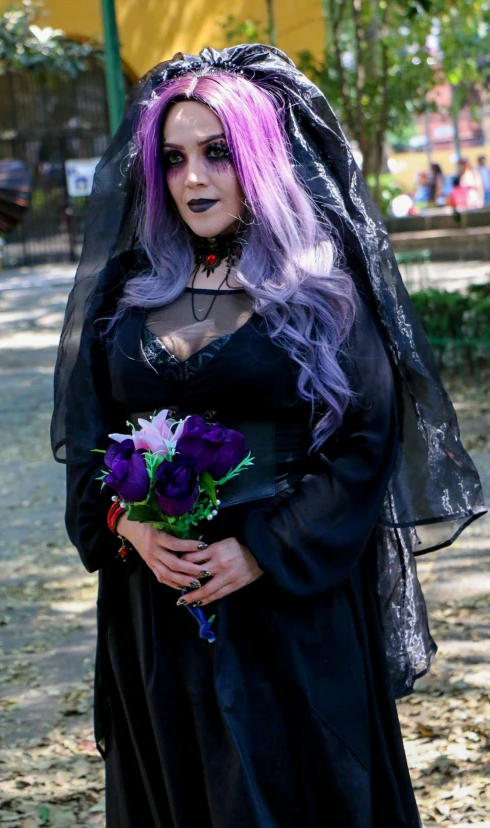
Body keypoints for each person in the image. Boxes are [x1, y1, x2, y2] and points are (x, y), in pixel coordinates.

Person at [51, 46, 486, 828]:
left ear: (256, 155)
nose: (193, 178)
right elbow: (89, 440)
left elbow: (364, 443)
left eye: (217, 153)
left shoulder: (322, 290)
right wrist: (128, 528)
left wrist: (260, 549)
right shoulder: (125, 292)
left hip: (288, 610)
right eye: (175, 158)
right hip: (156, 614)